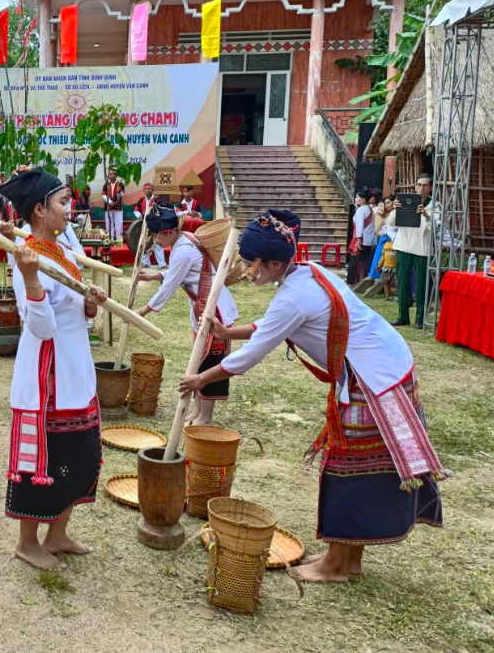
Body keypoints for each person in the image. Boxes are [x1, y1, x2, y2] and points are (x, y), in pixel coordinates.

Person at [180, 209, 446, 583]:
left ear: (275, 263)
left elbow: (253, 353)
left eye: (250, 263)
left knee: (347, 468)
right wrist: (227, 333)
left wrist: (200, 378)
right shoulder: (307, 273)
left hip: (374, 380)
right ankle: (347, 558)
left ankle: (337, 565)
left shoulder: (295, 295)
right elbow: (271, 324)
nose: (245, 270)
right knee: (360, 469)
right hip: (382, 370)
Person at [0, 168, 108, 572]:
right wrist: (28, 277)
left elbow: (72, 311)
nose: (69, 208)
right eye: (62, 202)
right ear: (40, 210)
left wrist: (89, 302)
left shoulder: (59, 250)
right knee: (43, 461)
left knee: (82, 454)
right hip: (48, 377)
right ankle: (28, 542)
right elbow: (40, 326)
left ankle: (57, 534)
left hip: (75, 370)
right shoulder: (31, 257)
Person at [136, 206, 238, 426]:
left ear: (169, 231)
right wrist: (154, 276)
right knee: (199, 360)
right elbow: (179, 273)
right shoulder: (184, 241)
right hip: (204, 305)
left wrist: (143, 311)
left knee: (211, 361)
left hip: (214, 308)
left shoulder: (182, 250)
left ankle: (205, 416)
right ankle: (197, 411)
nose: (155, 240)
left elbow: (170, 285)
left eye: (157, 235)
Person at [387, 175, 435, 328]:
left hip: (422, 248)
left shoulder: (435, 205)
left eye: (425, 185)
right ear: (415, 186)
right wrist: (395, 210)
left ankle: (420, 319)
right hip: (403, 246)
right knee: (402, 282)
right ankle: (403, 316)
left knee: (421, 284)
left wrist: (426, 215)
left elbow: (438, 227)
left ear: (430, 188)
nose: (421, 188)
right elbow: (392, 223)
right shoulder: (405, 201)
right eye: (419, 185)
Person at [348, 188, 376, 284]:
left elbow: (359, 225)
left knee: (355, 260)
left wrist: (358, 239)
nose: (355, 198)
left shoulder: (361, 210)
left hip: (362, 239)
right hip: (369, 239)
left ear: (363, 199)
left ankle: (352, 280)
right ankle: (362, 280)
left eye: (357, 197)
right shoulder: (370, 209)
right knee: (365, 260)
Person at [101, 169, 124, 240]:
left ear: (115, 175)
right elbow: (103, 195)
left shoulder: (120, 184)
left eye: (111, 174)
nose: (110, 176)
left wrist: (120, 191)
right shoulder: (106, 184)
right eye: (109, 174)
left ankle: (118, 239)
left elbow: (122, 195)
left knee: (119, 224)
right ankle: (110, 239)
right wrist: (110, 202)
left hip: (118, 207)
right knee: (108, 223)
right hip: (108, 207)